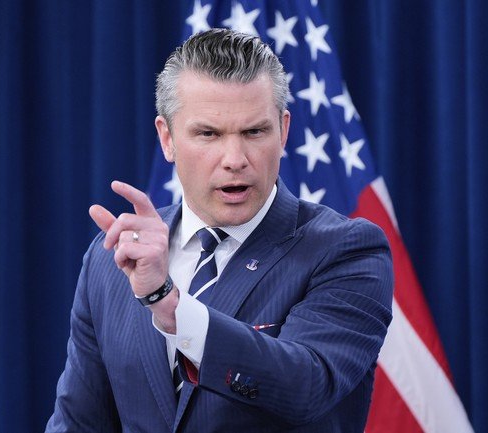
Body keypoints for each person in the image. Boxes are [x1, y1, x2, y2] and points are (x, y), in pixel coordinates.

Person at [46, 28, 393, 433]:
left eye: (254, 132)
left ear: (283, 131)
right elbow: (78, 423)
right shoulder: (112, 260)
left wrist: (168, 304)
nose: (234, 159)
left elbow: (307, 388)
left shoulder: (347, 250)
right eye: (208, 134)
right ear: (167, 138)